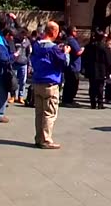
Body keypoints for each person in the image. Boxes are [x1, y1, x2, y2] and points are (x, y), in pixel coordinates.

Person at [30, 21, 70, 149]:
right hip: (50, 83)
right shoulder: (53, 49)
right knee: (49, 113)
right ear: (53, 32)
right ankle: (46, 140)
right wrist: (66, 52)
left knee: (39, 113)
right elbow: (64, 63)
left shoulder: (36, 45)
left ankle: (39, 137)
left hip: (37, 81)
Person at [82, 30, 111, 109]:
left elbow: (84, 58)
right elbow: (108, 60)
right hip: (101, 69)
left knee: (92, 86)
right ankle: (100, 103)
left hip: (91, 68)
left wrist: (85, 68)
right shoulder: (104, 47)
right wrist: (109, 70)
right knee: (100, 86)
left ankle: (93, 102)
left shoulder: (89, 46)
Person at [0, 29, 16, 123]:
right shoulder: (0, 44)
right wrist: (13, 56)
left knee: (0, 93)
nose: (12, 39)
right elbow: (3, 59)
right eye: (11, 36)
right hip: (0, 72)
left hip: (0, 72)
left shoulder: (1, 43)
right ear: (8, 34)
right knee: (2, 93)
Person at [62, 27, 83, 107]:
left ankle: (67, 99)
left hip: (70, 66)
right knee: (72, 84)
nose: (76, 32)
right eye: (75, 31)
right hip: (73, 66)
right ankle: (68, 100)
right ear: (71, 32)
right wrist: (83, 50)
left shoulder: (67, 40)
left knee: (69, 83)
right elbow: (78, 52)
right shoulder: (71, 40)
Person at [13, 29, 31, 104]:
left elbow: (29, 53)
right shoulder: (15, 40)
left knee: (22, 82)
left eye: (24, 35)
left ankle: (21, 96)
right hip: (15, 63)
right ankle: (12, 96)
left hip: (23, 63)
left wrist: (29, 64)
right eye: (21, 35)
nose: (22, 36)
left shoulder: (27, 42)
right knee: (14, 81)